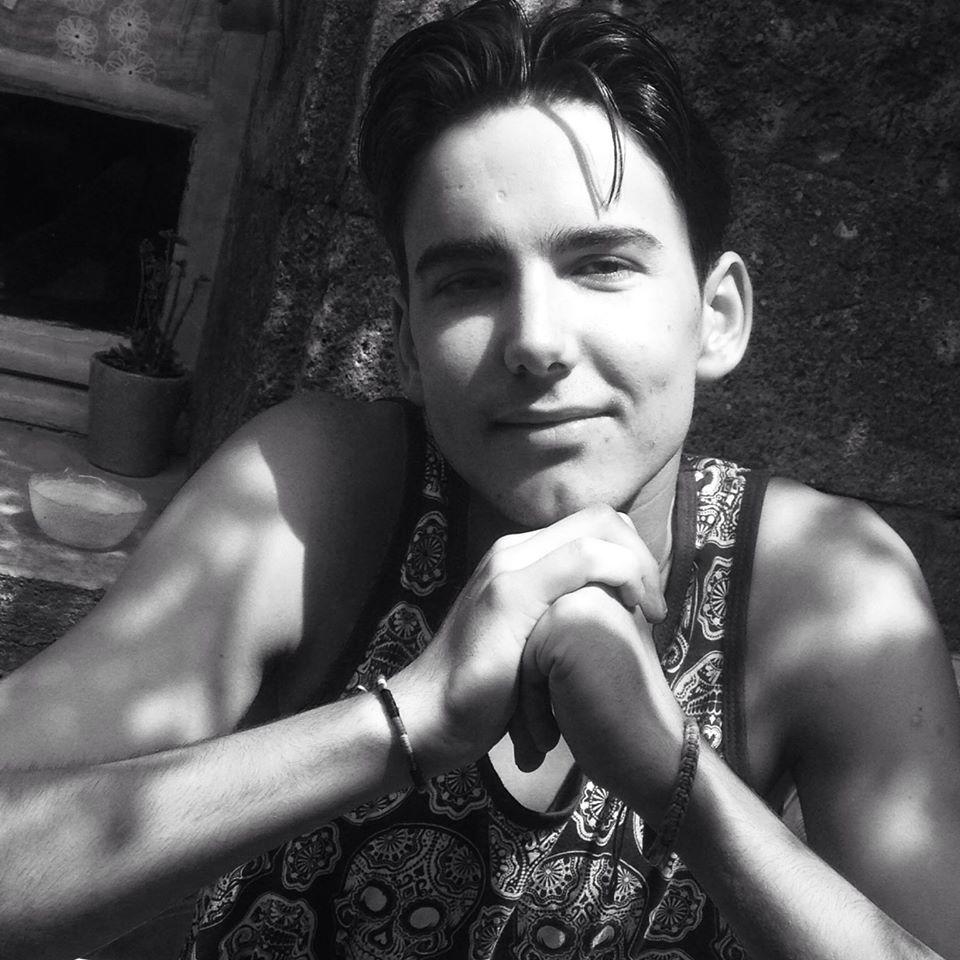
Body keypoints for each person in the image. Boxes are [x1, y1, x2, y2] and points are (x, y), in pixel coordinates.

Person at [1, 1, 958, 958]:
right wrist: (408, 718)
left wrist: (681, 786)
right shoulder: (317, 499)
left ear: (718, 316)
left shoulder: (822, 589)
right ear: (410, 340)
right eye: (468, 281)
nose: (535, 340)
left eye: (602, 265)